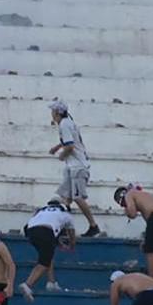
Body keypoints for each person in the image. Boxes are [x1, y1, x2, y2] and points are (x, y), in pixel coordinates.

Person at [48, 100, 101, 237]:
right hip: (73, 167)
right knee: (65, 198)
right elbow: (68, 140)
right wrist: (57, 147)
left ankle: (93, 226)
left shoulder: (64, 125)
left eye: (53, 111)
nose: (51, 114)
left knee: (77, 197)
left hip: (77, 167)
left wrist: (61, 155)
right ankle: (64, 228)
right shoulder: (68, 123)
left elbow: (70, 146)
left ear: (57, 113)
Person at [17, 199, 76, 302]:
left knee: (47, 254)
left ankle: (51, 282)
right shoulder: (66, 215)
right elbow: (71, 233)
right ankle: (28, 284)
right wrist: (71, 245)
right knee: (44, 262)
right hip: (46, 231)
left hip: (31, 230)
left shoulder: (43, 210)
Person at [114, 185, 153, 282]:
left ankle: (151, 283)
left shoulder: (129, 194)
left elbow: (132, 214)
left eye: (122, 205)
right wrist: (146, 239)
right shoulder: (143, 198)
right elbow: (151, 225)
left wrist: (127, 210)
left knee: (150, 252)